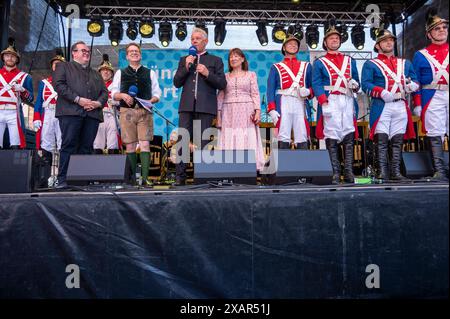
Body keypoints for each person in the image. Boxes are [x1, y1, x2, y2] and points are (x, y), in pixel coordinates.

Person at [362, 29, 419, 182]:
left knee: (397, 140)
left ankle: (396, 172)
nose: (389, 42)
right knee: (381, 140)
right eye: (385, 40)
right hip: (382, 105)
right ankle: (382, 172)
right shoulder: (371, 64)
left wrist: (413, 85)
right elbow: (365, 84)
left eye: (391, 40)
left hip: (400, 104)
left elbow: (414, 80)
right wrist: (380, 92)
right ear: (378, 45)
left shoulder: (405, 63)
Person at [173, 27, 227, 185]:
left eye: (197, 38)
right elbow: (176, 83)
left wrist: (207, 73)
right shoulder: (184, 59)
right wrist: (186, 66)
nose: (194, 41)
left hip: (206, 107)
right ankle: (180, 176)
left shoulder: (215, 60)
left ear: (206, 41)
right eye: (192, 39)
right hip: (186, 107)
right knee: (183, 140)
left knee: (203, 142)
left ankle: (201, 176)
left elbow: (222, 83)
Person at [53, 41, 108, 188]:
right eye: (83, 50)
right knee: (69, 144)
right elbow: (58, 85)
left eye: (88, 51)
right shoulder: (63, 66)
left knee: (86, 147)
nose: (86, 53)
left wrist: (97, 103)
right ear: (74, 53)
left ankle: (83, 179)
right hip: (71, 113)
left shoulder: (96, 73)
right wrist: (78, 100)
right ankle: (63, 179)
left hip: (92, 115)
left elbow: (104, 92)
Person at [312, 25, 360, 184]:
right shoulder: (320, 62)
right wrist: (323, 101)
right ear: (325, 42)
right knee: (331, 135)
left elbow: (357, 81)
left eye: (337, 38)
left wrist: (355, 84)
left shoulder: (349, 60)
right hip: (330, 99)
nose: (335, 40)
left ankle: (348, 172)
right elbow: (316, 83)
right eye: (331, 38)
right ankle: (334, 172)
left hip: (346, 99)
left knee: (348, 134)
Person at [111, 43, 162, 186]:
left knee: (145, 144)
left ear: (140, 54)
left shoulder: (149, 72)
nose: (134, 53)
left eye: (136, 51)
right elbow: (113, 93)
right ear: (127, 56)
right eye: (131, 51)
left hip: (144, 112)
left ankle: (145, 179)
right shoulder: (120, 72)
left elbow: (157, 93)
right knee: (130, 146)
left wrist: (151, 100)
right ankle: (133, 178)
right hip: (126, 112)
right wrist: (122, 95)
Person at [412, 9, 449, 181]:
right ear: (429, 34)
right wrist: (418, 103)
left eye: (444, 27)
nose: (442, 30)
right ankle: (440, 171)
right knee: (435, 133)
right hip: (432, 96)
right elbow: (416, 82)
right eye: (437, 28)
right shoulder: (420, 55)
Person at [216, 48, 265, 171]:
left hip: (246, 109)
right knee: (229, 135)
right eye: (231, 57)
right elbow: (220, 97)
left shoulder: (251, 74)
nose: (233, 59)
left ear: (242, 59)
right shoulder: (225, 76)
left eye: (236, 56)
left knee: (246, 136)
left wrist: (258, 111)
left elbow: (255, 94)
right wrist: (218, 116)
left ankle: (249, 165)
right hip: (228, 110)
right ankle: (229, 166)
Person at [267, 34, 314, 150]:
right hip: (283, 101)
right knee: (283, 133)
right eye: (290, 44)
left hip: (300, 101)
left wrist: (308, 91)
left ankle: (303, 165)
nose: (293, 46)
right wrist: (272, 109)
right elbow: (270, 89)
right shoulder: (276, 67)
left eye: (295, 44)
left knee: (302, 132)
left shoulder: (306, 66)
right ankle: (283, 166)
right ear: (284, 47)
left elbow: (314, 86)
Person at [33, 48, 65, 170]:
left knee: (63, 142)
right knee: (46, 143)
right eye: (55, 64)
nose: (57, 66)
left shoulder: (67, 82)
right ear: (51, 66)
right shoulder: (44, 83)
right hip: (48, 113)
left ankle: (62, 175)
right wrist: (36, 117)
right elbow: (39, 102)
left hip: (62, 113)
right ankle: (46, 176)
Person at [0, 37, 33, 149]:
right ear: (3, 57)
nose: (10, 58)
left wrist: (23, 90)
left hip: (14, 113)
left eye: (13, 56)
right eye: (7, 55)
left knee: (16, 145)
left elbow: (30, 98)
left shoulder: (25, 77)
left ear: (17, 59)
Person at [93, 54, 120, 154]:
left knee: (113, 143)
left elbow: (122, 102)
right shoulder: (94, 85)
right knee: (97, 143)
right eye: (103, 70)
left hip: (111, 115)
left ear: (112, 73)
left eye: (108, 70)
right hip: (98, 115)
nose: (105, 72)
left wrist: (117, 102)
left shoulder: (116, 86)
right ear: (99, 72)